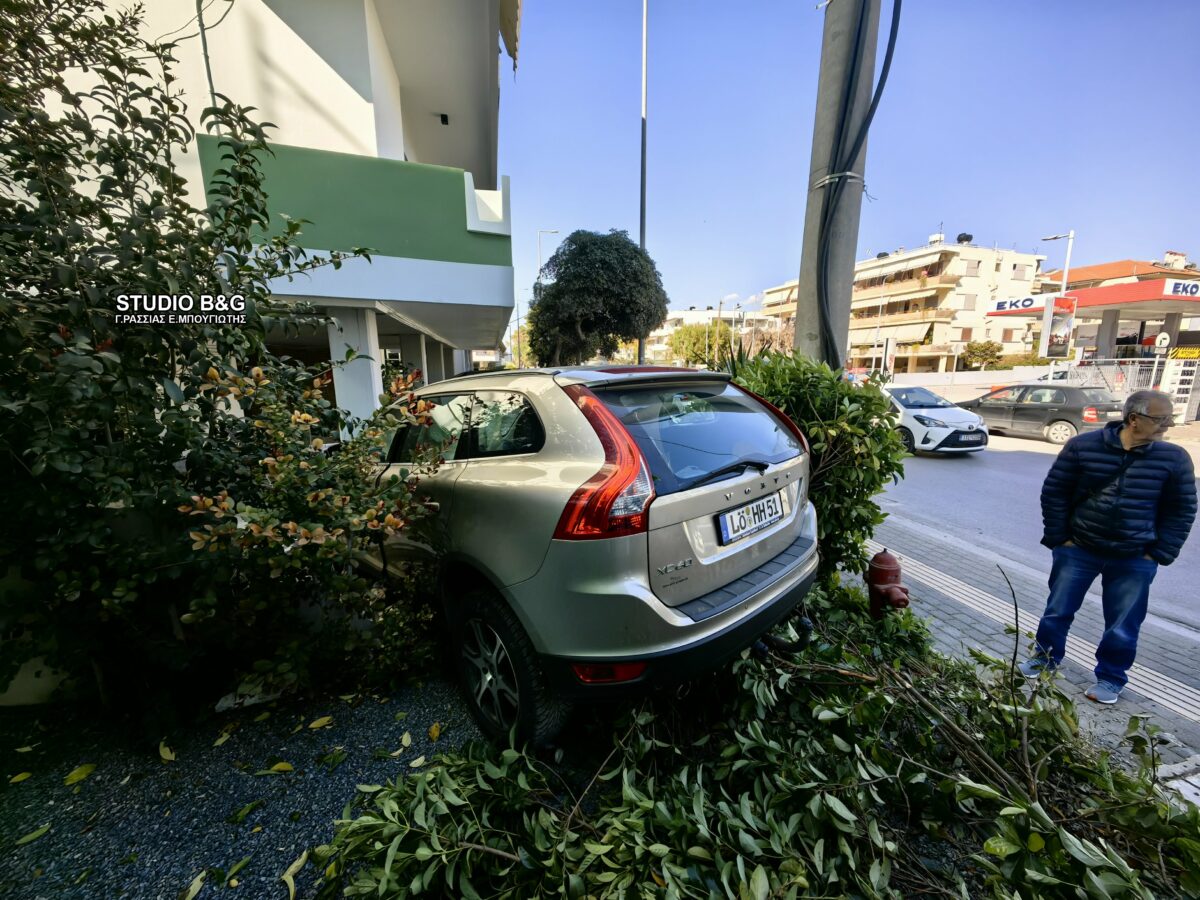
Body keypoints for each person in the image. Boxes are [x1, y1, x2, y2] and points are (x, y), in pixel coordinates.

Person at [1019, 390, 1196, 703]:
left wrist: (1158, 553)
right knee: (1057, 611)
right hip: (1079, 549)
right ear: (1134, 419)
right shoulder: (1083, 446)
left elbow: (1182, 509)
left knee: (1123, 623)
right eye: (1161, 419)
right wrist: (1061, 539)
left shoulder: (1174, 458)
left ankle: (1111, 678)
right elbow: (1055, 492)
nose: (1169, 424)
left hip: (1134, 556)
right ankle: (1044, 659)